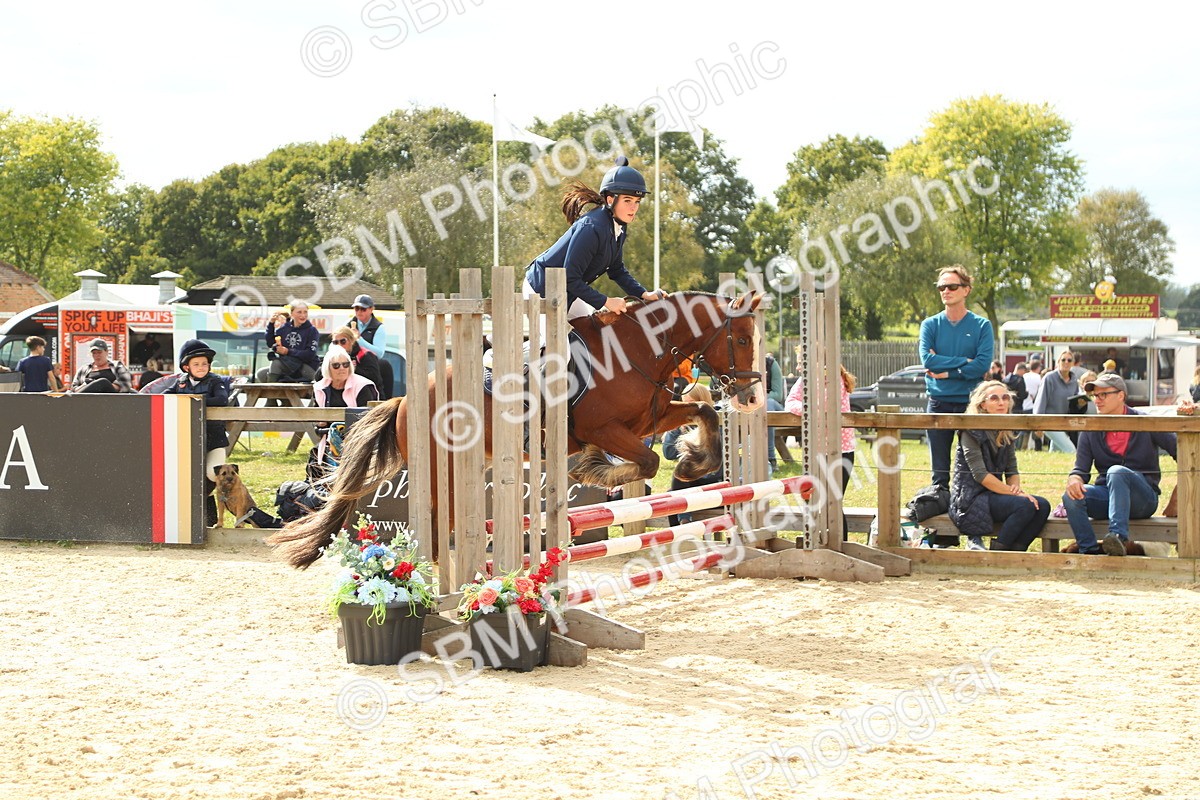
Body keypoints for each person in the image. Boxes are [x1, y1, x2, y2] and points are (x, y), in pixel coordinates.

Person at [523, 156, 664, 322]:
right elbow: (570, 277)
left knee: (593, 334)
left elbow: (616, 269)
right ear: (611, 200)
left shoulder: (618, 226)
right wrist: (606, 301)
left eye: (637, 201)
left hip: (566, 292)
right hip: (542, 290)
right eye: (627, 200)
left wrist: (644, 294)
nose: (634, 208)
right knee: (559, 346)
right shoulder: (592, 228)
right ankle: (498, 349)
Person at [1062, 373, 1177, 556]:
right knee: (1070, 497)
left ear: (1121, 396)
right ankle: (1089, 551)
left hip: (1143, 499)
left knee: (1117, 472)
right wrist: (1074, 480)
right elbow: (1080, 470)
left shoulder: (1146, 422)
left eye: (1103, 395)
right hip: (1107, 495)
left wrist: (1179, 493)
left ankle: (1118, 538)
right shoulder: (1090, 429)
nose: (1097, 400)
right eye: (1095, 396)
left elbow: (1183, 453)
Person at [948, 380, 1050, 551]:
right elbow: (980, 475)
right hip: (970, 498)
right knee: (1024, 504)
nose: (1002, 402)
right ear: (983, 404)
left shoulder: (1005, 428)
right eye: (994, 398)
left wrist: (1016, 491)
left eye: (1005, 398)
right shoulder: (969, 430)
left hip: (992, 494)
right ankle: (998, 551)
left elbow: (1012, 469)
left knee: (1043, 505)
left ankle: (1015, 551)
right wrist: (1015, 495)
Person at [919, 265, 994, 489]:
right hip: (938, 401)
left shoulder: (982, 325)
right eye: (941, 286)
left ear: (966, 290)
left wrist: (948, 372)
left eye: (952, 286)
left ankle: (973, 507)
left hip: (971, 403)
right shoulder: (930, 325)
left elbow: (982, 365)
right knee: (939, 474)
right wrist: (964, 362)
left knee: (975, 469)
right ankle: (938, 503)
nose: (946, 291)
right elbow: (928, 361)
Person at [162, 339, 232, 527]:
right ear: (186, 367)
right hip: (188, 439)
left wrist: (194, 401)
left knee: (212, 474)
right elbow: (165, 396)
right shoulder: (180, 382)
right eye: (196, 364)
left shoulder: (216, 381)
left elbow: (222, 400)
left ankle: (212, 520)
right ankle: (193, 521)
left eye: (204, 363)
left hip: (214, 439)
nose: (201, 367)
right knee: (184, 478)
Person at [785, 365, 858, 539]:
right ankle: (820, 541)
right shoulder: (807, 378)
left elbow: (823, 406)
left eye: (802, 361)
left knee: (832, 502)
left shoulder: (833, 379)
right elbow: (791, 401)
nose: (798, 367)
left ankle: (840, 544)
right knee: (815, 499)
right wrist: (807, 409)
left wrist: (807, 409)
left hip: (840, 449)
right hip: (818, 449)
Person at [1032, 350, 1079, 453]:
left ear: (1072, 363)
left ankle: (1048, 468)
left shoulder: (1074, 381)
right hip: (1048, 421)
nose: (1066, 362)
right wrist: (1037, 424)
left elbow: (1074, 404)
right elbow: (1041, 401)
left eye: (1069, 360)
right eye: (1063, 360)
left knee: (1055, 452)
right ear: (1058, 362)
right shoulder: (1049, 378)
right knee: (1071, 451)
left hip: (1063, 422)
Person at [260, 302, 320, 383]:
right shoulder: (285, 328)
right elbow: (270, 343)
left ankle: (271, 392)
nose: (303, 315)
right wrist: (271, 324)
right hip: (288, 365)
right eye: (299, 312)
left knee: (276, 364)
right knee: (261, 374)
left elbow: (310, 354)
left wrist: (288, 351)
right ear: (292, 314)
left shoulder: (312, 330)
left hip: (307, 368)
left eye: (305, 312)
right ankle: (279, 393)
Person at [347, 294, 393, 399]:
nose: (359, 312)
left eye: (363, 309)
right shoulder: (347, 325)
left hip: (369, 367)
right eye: (356, 308)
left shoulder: (378, 327)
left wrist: (359, 339)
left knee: (384, 365)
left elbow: (379, 353)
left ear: (371, 309)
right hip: (352, 366)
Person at [313, 344, 379, 409]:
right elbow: (314, 415)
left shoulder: (362, 386)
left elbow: (366, 415)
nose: (342, 368)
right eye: (336, 365)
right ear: (328, 368)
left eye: (345, 364)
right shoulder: (319, 388)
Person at [330, 326, 383, 397]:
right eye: (335, 342)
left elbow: (375, 378)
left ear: (351, 341)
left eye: (343, 341)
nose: (339, 345)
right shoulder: (331, 357)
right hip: (341, 396)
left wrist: (353, 369)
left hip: (367, 396)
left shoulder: (365, 354)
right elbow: (319, 376)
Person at [765, 353, 784, 472]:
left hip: (773, 407)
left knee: (768, 404)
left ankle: (771, 457)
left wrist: (757, 397)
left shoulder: (771, 363)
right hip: (745, 407)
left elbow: (778, 395)